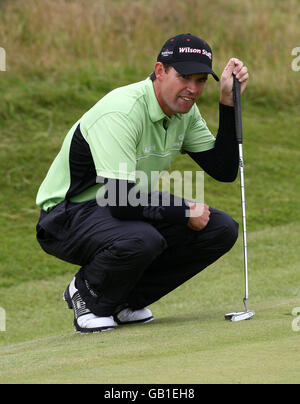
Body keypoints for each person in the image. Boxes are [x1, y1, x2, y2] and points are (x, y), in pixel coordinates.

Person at [36, 33, 249, 333]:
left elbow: (223, 169)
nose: (193, 89)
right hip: (66, 215)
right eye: (185, 76)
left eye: (201, 80)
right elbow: (122, 201)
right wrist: (185, 211)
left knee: (220, 228)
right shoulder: (122, 111)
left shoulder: (183, 113)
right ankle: (87, 292)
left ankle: (125, 301)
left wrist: (227, 102)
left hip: (116, 204)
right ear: (160, 71)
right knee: (142, 238)